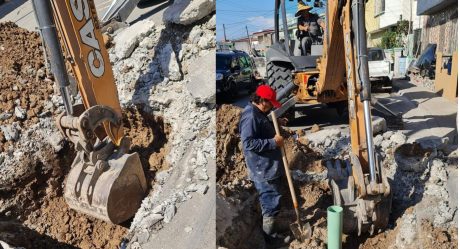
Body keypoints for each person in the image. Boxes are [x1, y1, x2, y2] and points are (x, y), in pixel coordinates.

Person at [239, 85, 288, 247]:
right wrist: (273, 142)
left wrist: (275, 123)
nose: (272, 106)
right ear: (261, 100)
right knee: (270, 204)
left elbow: (260, 129)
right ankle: (270, 240)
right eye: (270, 103)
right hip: (264, 170)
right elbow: (248, 142)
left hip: (268, 168)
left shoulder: (258, 113)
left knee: (272, 201)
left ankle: (271, 231)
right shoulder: (250, 116)